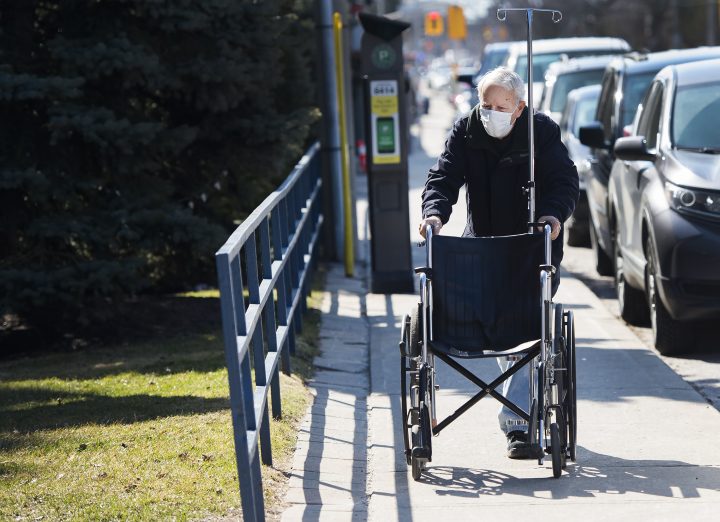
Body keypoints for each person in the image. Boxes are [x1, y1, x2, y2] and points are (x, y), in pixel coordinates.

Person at [419, 67, 579, 459]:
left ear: (519, 106)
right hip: (484, 247)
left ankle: (518, 424)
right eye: (485, 104)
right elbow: (442, 178)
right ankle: (520, 411)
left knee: (525, 330)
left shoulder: (540, 131)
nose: (491, 112)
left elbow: (564, 180)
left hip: (531, 246)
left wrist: (554, 216)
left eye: (501, 106)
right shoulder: (466, 131)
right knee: (495, 327)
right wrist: (434, 214)